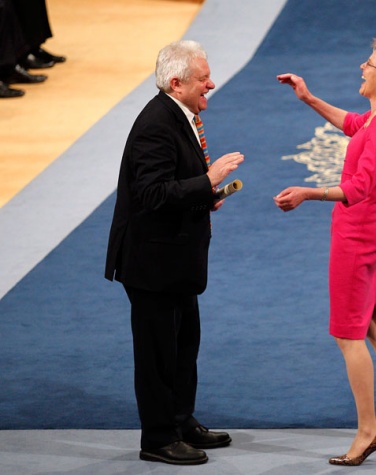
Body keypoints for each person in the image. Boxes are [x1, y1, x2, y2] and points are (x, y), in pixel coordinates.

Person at [274, 38, 376, 466]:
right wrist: (308, 97)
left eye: (370, 64)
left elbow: (358, 189)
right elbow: (356, 124)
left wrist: (307, 192)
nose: (363, 67)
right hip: (374, 229)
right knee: (375, 322)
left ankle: (367, 431)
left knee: (348, 333)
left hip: (356, 236)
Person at [105, 40, 244, 466]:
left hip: (175, 259)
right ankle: (158, 437)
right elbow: (151, 194)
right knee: (158, 353)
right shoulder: (155, 125)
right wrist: (207, 180)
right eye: (204, 79)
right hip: (152, 264)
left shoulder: (180, 114)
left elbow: (173, 187)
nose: (212, 84)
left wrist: (206, 195)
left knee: (184, 345)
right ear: (176, 82)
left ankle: (181, 420)